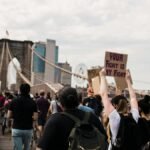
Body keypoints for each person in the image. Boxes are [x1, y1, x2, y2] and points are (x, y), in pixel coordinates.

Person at [37, 87, 107, 150]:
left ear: (61, 103)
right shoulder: (91, 117)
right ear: (78, 100)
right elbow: (104, 138)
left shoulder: (55, 120)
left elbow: (41, 147)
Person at [99, 69, 140, 150]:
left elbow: (103, 95)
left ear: (115, 106)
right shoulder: (134, 117)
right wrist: (128, 80)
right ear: (127, 104)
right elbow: (133, 98)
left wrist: (102, 77)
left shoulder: (115, 118)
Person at [7, 83, 38, 150]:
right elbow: (35, 117)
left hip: (16, 128)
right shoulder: (33, 102)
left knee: (18, 148)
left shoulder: (14, 101)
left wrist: (16, 116)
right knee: (27, 148)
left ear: (20, 90)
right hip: (28, 129)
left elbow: (9, 116)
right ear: (29, 91)